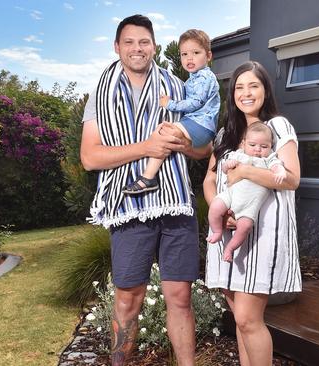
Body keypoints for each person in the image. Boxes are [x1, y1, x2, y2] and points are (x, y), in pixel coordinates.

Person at [79, 14, 210, 366]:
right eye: (129, 42)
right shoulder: (100, 96)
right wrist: (148, 147)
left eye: (144, 42)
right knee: (128, 298)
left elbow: (204, 148)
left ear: (153, 46)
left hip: (175, 202)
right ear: (117, 47)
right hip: (128, 205)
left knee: (180, 296)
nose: (137, 48)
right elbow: (90, 157)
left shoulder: (179, 89)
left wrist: (182, 144)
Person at [203, 61, 302, 366]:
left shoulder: (278, 126)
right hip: (228, 235)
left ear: (265, 90)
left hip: (261, 236)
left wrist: (244, 170)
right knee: (240, 321)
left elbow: (292, 178)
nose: (246, 93)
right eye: (240, 87)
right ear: (232, 93)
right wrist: (219, 211)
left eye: (254, 86)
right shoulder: (225, 135)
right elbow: (209, 180)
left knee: (248, 320)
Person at [122, 28, 220, 195]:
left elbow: (196, 102)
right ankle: (149, 176)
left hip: (201, 125)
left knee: (165, 132)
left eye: (196, 52)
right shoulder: (194, 77)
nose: (189, 58)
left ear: (208, 56)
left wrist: (170, 104)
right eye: (184, 54)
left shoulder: (205, 77)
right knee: (165, 132)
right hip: (196, 123)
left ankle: (148, 177)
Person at [206, 122, 286, 262]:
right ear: (243, 144)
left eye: (264, 146)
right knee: (215, 206)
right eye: (252, 145)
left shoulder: (269, 159)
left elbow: (277, 166)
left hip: (251, 204)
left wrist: (280, 171)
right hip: (231, 194)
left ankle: (230, 248)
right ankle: (217, 231)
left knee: (245, 226)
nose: (257, 150)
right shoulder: (239, 155)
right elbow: (224, 168)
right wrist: (228, 165)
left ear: (271, 147)